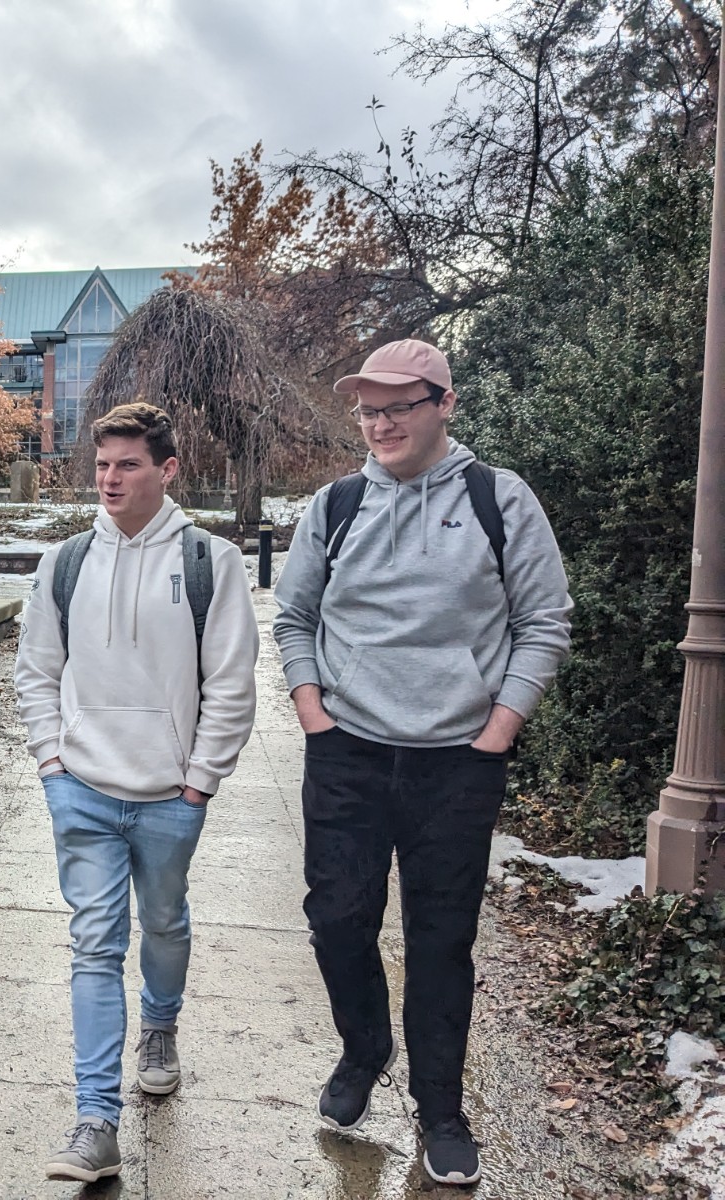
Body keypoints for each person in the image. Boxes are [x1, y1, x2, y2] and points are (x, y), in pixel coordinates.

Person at [273, 339, 572, 1187]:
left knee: (442, 940)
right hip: (349, 755)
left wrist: (499, 729)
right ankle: (364, 1049)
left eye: (400, 405)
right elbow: (293, 618)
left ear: (444, 404)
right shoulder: (334, 507)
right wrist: (313, 714)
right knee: (338, 919)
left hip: (456, 762)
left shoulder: (497, 500)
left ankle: (442, 1108)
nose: (380, 422)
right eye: (369, 408)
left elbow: (544, 620)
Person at [15, 402, 259, 1183]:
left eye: (127, 465)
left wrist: (198, 784)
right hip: (81, 787)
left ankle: (161, 1025)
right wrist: (52, 767)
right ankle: (95, 1119)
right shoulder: (64, 563)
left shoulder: (209, 562)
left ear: (168, 470)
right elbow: (36, 672)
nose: (110, 479)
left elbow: (230, 683)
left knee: (162, 920)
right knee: (93, 944)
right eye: (102, 465)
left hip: (167, 796)